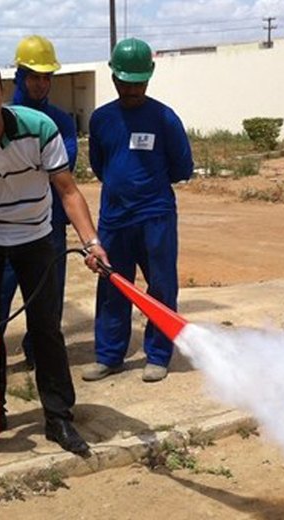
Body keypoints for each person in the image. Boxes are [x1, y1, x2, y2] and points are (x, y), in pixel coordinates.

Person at [0, 56, 109, 455]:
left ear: (2, 92)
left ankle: (58, 418)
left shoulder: (39, 128)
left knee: (46, 328)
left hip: (37, 236)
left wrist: (91, 242)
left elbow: (67, 191)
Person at [84, 38, 193, 383]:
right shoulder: (101, 119)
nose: (131, 87)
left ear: (150, 76)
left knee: (161, 286)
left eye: (138, 80)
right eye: (125, 80)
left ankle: (158, 355)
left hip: (155, 216)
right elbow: (100, 165)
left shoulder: (164, 118)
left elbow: (181, 168)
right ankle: (109, 355)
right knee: (113, 285)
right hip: (115, 219)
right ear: (113, 76)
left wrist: (146, 190)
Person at [0, 35, 77, 370]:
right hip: (6, 223)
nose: (41, 84)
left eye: (47, 77)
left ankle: (39, 352)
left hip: (50, 223)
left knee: (47, 294)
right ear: (19, 75)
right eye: (34, 76)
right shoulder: (0, 119)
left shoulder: (62, 121)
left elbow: (62, 168)